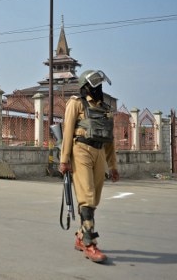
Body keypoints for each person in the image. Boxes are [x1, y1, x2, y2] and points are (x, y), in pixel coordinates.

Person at [59, 70, 120, 263]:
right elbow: (68, 131)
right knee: (87, 197)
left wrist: (113, 166)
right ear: (86, 86)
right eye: (94, 85)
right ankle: (89, 243)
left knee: (95, 198)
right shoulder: (76, 103)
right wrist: (64, 159)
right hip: (81, 150)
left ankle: (80, 235)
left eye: (100, 85)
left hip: (100, 152)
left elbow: (110, 139)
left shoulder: (105, 108)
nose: (98, 89)